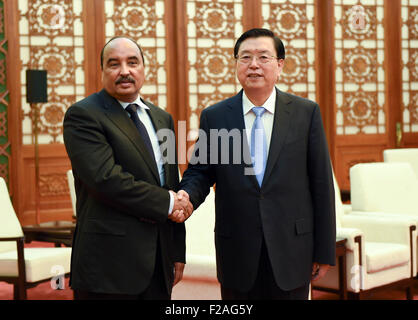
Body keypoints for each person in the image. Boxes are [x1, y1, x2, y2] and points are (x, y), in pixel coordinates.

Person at [178, 28, 336, 300]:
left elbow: (321, 184)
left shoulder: (305, 113)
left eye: (263, 57)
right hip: (237, 249)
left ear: (280, 64)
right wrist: (186, 196)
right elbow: (201, 173)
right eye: (245, 57)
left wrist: (323, 251)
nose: (253, 64)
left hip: (292, 249)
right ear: (236, 64)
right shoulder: (215, 117)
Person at [63, 36, 191, 300]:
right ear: (102, 71)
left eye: (132, 62)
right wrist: (169, 202)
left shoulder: (161, 118)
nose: (124, 71)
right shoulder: (84, 115)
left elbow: (171, 183)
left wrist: (177, 251)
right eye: (114, 64)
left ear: (144, 68)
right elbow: (104, 179)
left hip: (158, 262)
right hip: (108, 267)